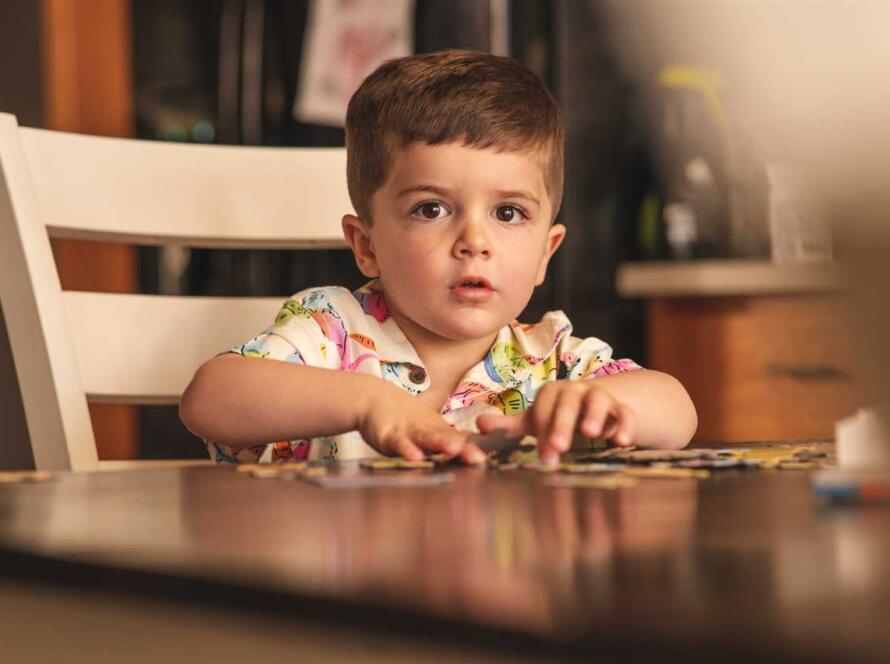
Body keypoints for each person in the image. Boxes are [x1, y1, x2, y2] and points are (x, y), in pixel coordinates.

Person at [179, 50, 697, 466]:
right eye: (431, 209)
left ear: (546, 254)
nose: (474, 240)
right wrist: (368, 403)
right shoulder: (330, 334)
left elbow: (678, 410)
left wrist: (602, 407)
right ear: (367, 245)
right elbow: (210, 397)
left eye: (509, 213)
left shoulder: (553, 360)